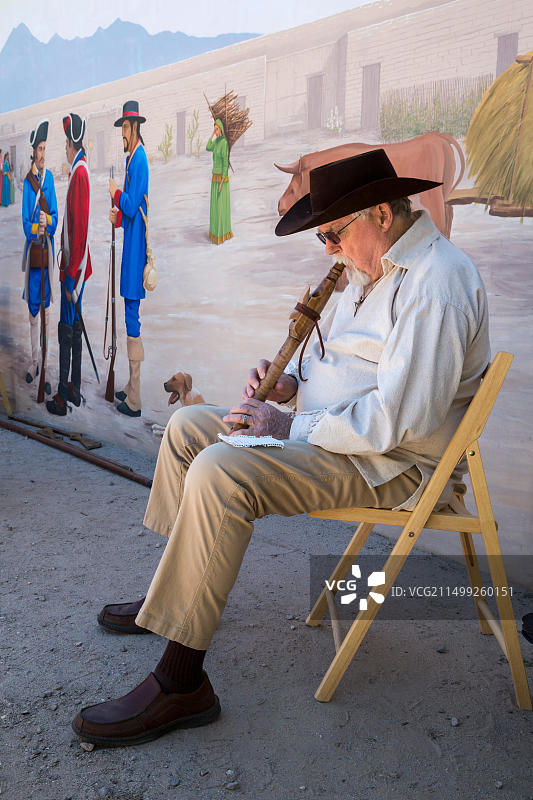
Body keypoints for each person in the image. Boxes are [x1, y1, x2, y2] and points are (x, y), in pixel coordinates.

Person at [72, 149, 490, 747]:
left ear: (380, 212)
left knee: (223, 469)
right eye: (323, 237)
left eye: (332, 235)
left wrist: (284, 422)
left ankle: (182, 682)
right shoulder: (368, 268)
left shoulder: (437, 283)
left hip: (387, 464)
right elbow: (341, 367)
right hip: (334, 432)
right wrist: (291, 385)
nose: (328, 250)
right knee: (191, 427)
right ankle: (175, 589)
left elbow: (400, 420)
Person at [46, 114, 92, 416]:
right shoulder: (80, 171)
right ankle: (74, 387)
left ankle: (63, 396)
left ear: (72, 144)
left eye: (66, 142)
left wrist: (71, 275)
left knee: (67, 330)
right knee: (74, 329)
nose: (64, 146)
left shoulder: (79, 174)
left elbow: (78, 231)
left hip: (73, 271)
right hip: (75, 268)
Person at [108, 100, 149, 418]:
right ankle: (131, 386)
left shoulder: (139, 161)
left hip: (136, 254)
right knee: (128, 317)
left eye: (125, 127)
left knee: (132, 318)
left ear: (135, 128)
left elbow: (133, 206)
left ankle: (134, 400)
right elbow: (131, 214)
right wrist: (117, 217)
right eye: (121, 127)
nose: (122, 133)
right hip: (131, 247)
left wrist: (115, 195)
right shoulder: (133, 159)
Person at [22, 119, 58, 391]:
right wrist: (38, 226)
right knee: (33, 311)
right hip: (34, 255)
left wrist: (50, 223)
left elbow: (56, 215)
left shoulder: (50, 180)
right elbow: (25, 223)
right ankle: (34, 362)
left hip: (47, 258)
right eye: (40, 149)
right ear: (34, 151)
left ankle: (44, 365)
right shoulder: (28, 182)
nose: (43, 154)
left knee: (46, 311)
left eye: (46, 148)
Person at [206, 119, 233, 244]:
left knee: (221, 206)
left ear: (221, 129)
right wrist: (212, 134)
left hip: (221, 179)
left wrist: (222, 180)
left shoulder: (224, 143)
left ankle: (223, 232)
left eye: (217, 129)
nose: (216, 131)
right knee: (215, 207)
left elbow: (225, 163)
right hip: (214, 177)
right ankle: (215, 233)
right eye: (214, 129)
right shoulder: (216, 141)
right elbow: (207, 147)